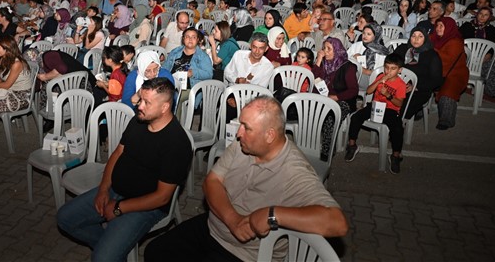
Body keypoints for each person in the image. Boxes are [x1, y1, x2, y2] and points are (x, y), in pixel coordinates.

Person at [143, 95, 348, 262]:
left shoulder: (294, 170)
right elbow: (211, 181)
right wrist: (233, 220)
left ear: (269, 135)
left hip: (246, 254)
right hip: (214, 227)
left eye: (246, 127)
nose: (239, 133)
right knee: (156, 251)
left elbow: (337, 222)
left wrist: (272, 215)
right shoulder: (244, 145)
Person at [57, 77, 193, 262]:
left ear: (165, 107)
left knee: (103, 258)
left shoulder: (177, 143)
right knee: (65, 218)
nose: (139, 106)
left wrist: (119, 208)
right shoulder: (139, 121)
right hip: (115, 190)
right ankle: (110, 248)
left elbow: (162, 197)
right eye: (141, 99)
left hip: (146, 206)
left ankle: (109, 251)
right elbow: (117, 154)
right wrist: (103, 189)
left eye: (147, 102)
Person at [345, 53, 407, 174]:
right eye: (386, 67)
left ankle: (396, 155)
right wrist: (379, 82)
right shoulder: (381, 77)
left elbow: (399, 103)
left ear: (399, 70)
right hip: (375, 106)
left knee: (398, 129)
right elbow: (368, 91)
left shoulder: (401, 84)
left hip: (390, 110)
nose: (389, 71)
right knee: (356, 117)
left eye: (393, 69)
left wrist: (388, 95)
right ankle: (352, 145)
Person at [312, 37, 359, 159]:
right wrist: (318, 60)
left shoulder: (348, 67)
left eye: (329, 49)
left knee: (330, 117)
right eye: (324, 48)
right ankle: (308, 146)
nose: (325, 52)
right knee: (307, 111)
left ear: (337, 51)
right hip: (323, 98)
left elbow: (353, 90)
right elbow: (313, 79)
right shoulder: (323, 63)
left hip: (342, 100)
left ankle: (327, 151)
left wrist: (336, 97)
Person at [161, 27, 213, 118]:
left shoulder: (202, 56)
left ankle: (175, 122)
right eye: (187, 36)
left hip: (189, 88)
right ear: (183, 39)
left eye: (193, 37)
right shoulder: (175, 52)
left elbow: (209, 74)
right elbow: (165, 68)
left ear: (198, 40)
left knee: (174, 97)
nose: (190, 39)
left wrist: (193, 73)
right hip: (171, 84)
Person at [393, 27, 443, 120]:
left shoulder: (432, 55)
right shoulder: (403, 49)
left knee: (402, 107)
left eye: (420, 36)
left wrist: (415, 86)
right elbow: (390, 64)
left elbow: (436, 80)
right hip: (398, 83)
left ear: (425, 39)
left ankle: (397, 123)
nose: (416, 39)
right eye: (413, 36)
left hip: (420, 89)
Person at [430, 17, 469, 130]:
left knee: (448, 91)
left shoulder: (455, 42)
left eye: (441, 26)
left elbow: (447, 60)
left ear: (449, 28)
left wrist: (430, 49)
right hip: (436, 70)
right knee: (420, 82)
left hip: (455, 72)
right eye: (437, 25)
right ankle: (418, 112)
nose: (438, 28)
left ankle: (446, 120)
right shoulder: (433, 37)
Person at [347, 22, 390, 91]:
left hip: (372, 81)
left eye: (368, 34)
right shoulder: (357, 45)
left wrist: (363, 70)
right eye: (363, 33)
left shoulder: (382, 52)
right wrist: (353, 58)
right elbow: (345, 60)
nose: (365, 36)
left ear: (376, 36)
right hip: (355, 75)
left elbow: (380, 72)